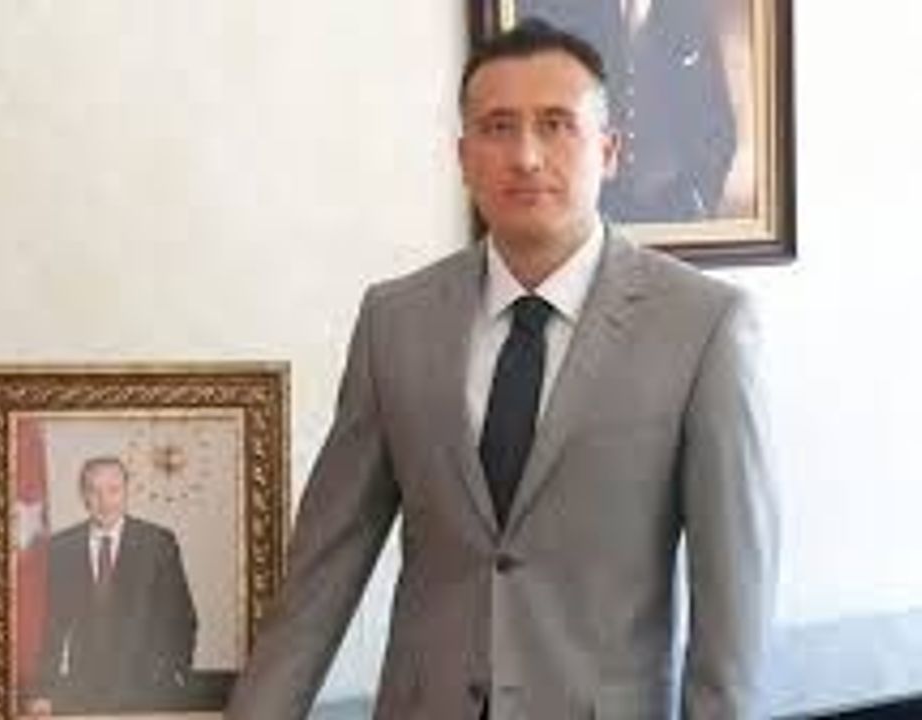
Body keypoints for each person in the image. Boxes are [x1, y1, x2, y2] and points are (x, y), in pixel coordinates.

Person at [227, 18, 776, 719]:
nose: (525, 156)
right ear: (463, 158)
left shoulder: (703, 326)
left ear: (609, 151)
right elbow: (323, 570)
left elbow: (733, 610)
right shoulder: (396, 321)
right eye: (497, 128)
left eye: (556, 125)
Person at [519, 0, 738, 222]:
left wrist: (702, 196)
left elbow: (717, 119)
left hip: (674, 204)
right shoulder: (569, 10)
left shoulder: (688, 12)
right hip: (593, 206)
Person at [28, 455, 198, 714]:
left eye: (113, 490)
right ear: (83, 496)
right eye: (94, 491)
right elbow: (52, 625)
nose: (104, 501)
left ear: (127, 491)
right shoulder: (63, 547)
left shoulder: (157, 543)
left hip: (149, 691)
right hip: (82, 691)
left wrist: (175, 676)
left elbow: (182, 618)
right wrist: (43, 690)